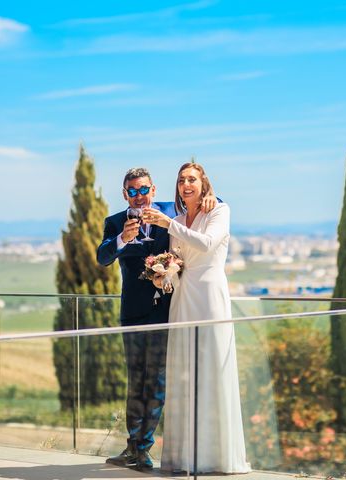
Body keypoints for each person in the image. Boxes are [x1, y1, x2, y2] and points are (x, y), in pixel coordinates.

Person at [96, 167, 216, 471]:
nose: (140, 195)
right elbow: (102, 257)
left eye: (144, 189)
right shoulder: (114, 222)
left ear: (154, 189)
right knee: (137, 380)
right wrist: (122, 239)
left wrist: (212, 198)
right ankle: (132, 447)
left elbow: (200, 197)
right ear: (125, 194)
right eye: (133, 191)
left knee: (158, 381)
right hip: (133, 314)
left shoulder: (170, 212)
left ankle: (145, 448)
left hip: (166, 312)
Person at [143, 162, 251, 474]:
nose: (185, 185)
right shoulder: (176, 219)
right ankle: (185, 458)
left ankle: (217, 457)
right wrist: (164, 275)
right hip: (183, 299)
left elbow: (205, 243)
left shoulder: (219, 210)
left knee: (213, 369)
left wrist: (167, 224)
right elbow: (180, 265)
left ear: (203, 184)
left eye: (192, 179)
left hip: (210, 298)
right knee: (184, 374)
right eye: (181, 181)